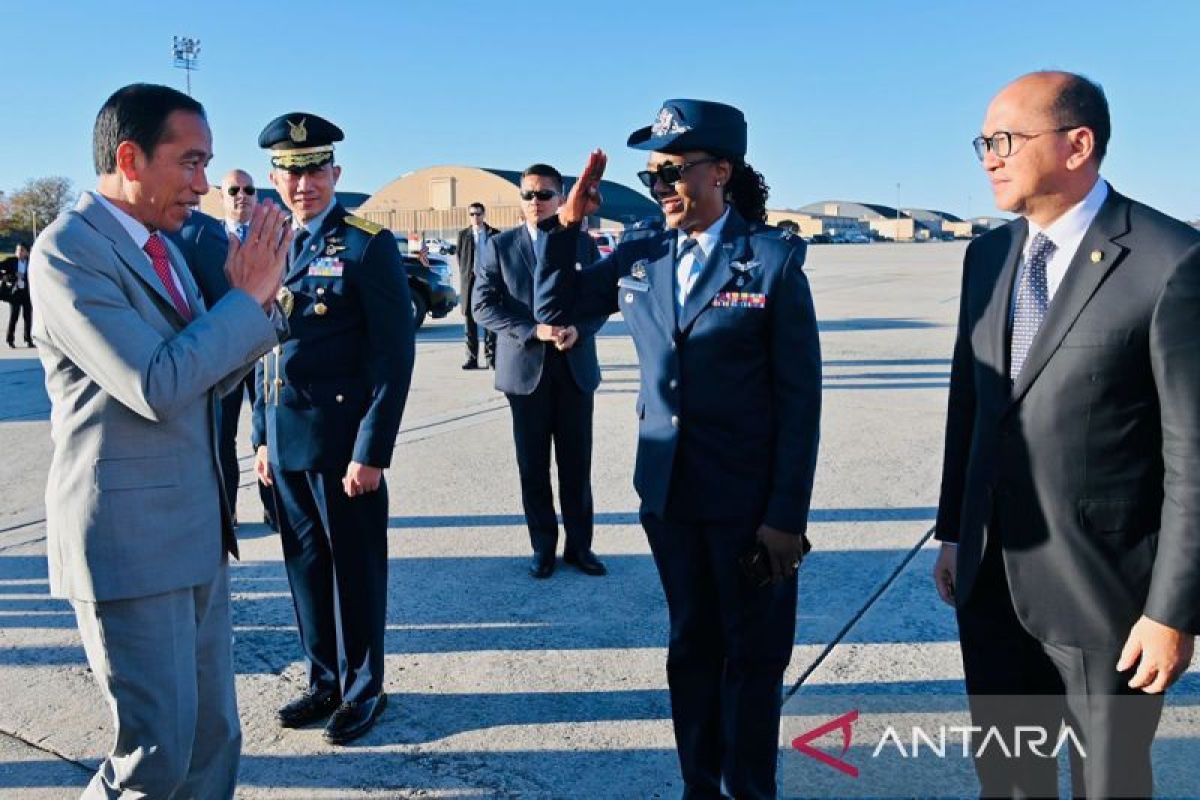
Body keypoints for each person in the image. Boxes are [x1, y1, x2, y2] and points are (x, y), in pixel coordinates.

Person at [534, 100, 820, 798]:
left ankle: (750, 786)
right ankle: (700, 784)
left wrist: (786, 515)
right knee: (691, 646)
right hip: (668, 495)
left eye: (673, 172)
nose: (660, 188)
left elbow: (800, 401)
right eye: (652, 175)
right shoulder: (641, 252)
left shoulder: (772, 260)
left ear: (720, 172)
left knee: (753, 657)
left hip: (748, 501)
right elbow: (556, 307)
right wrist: (566, 225)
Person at [932, 71, 1200, 798]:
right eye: (983, 142)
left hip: (1108, 598)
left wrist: (1172, 611)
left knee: (1109, 783)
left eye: (1005, 140)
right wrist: (954, 531)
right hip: (991, 579)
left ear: (1077, 144)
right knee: (1009, 781)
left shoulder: (1170, 261)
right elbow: (975, 402)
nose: (988, 157)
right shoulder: (986, 258)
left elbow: (1193, 456)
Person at [29, 82, 289, 799]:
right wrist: (241, 303)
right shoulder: (68, 254)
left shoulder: (163, 250)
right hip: (130, 544)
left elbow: (206, 379)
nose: (205, 184)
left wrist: (255, 307)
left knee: (212, 743)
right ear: (130, 157)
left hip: (194, 530)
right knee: (154, 757)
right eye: (192, 162)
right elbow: (154, 383)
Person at [252, 112, 415, 745]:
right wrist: (260, 438)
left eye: (315, 169)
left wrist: (371, 449)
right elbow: (262, 350)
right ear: (275, 179)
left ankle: (363, 688)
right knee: (305, 568)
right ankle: (323, 679)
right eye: (291, 173)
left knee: (354, 569)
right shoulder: (270, 245)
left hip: (345, 446)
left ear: (336, 173)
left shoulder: (367, 244)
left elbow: (392, 357)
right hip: (286, 442)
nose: (304, 184)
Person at [473, 164, 608, 579]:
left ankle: (580, 548)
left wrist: (577, 330)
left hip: (573, 368)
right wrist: (533, 330)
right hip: (525, 371)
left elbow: (598, 301)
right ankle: (543, 548)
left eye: (545, 194)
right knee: (533, 466)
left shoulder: (582, 244)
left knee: (576, 465)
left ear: (561, 197)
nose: (536, 202)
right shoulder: (499, 246)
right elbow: (483, 306)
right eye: (529, 195)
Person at [171, 170, 279, 531]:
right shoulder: (201, 234)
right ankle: (227, 509)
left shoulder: (273, 237)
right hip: (223, 352)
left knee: (268, 431)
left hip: (263, 351)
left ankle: (273, 507)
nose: (242, 196)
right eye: (234, 189)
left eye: (250, 190)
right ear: (222, 194)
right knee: (223, 434)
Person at [456, 201, 498, 369]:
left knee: (490, 321)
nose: (475, 217)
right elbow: (460, 258)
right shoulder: (463, 235)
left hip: (489, 282)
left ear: (484, 214)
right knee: (469, 322)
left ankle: (491, 358)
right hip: (470, 282)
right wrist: (468, 274)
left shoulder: (494, 234)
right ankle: (472, 359)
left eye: (478, 213)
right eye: (472, 214)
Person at [1, 242, 33, 347]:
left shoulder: (31, 262)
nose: (19, 252)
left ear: (27, 252)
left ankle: (28, 339)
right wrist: (7, 277)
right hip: (15, 293)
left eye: (22, 250)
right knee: (14, 316)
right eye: (18, 250)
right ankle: (10, 340)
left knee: (28, 317)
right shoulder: (11, 261)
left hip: (27, 293)